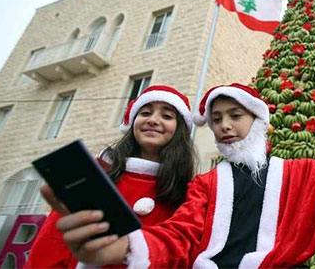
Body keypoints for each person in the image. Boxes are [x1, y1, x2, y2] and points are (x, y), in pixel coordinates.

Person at [41, 74, 315, 268]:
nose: (224, 125)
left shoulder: (306, 176)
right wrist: (126, 249)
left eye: (235, 115)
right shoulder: (204, 185)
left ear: (258, 121)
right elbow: (179, 236)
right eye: (216, 118)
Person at [25, 85, 197, 268]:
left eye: (167, 116)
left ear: (179, 129)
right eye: (145, 113)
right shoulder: (95, 172)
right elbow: (53, 238)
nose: (153, 120)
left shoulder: (187, 192)